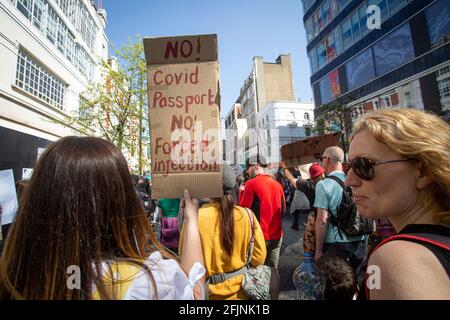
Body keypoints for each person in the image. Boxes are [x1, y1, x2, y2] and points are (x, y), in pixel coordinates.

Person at [0, 136, 205, 300]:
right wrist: (192, 220)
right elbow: (195, 294)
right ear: (119, 202)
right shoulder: (147, 284)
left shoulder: (16, 275)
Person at [345, 108, 450, 300]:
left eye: (363, 166)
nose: (349, 181)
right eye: (349, 166)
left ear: (423, 172)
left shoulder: (394, 258)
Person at [179, 165, 268, 300]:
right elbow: (259, 257)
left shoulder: (194, 219)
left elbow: (186, 262)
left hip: (208, 294)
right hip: (243, 293)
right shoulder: (247, 215)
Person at [313, 146, 368, 288]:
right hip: (360, 243)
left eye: (322, 159)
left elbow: (322, 220)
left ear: (328, 160)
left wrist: (318, 251)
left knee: (335, 288)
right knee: (353, 284)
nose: (321, 162)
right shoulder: (356, 181)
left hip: (336, 244)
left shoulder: (323, 185)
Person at [239, 156, 286, 269]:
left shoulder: (251, 183)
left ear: (256, 166)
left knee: (256, 271)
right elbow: (283, 210)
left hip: (258, 236)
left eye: (248, 167)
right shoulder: (277, 185)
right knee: (273, 270)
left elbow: (242, 211)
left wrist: (241, 191)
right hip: (277, 235)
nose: (246, 171)